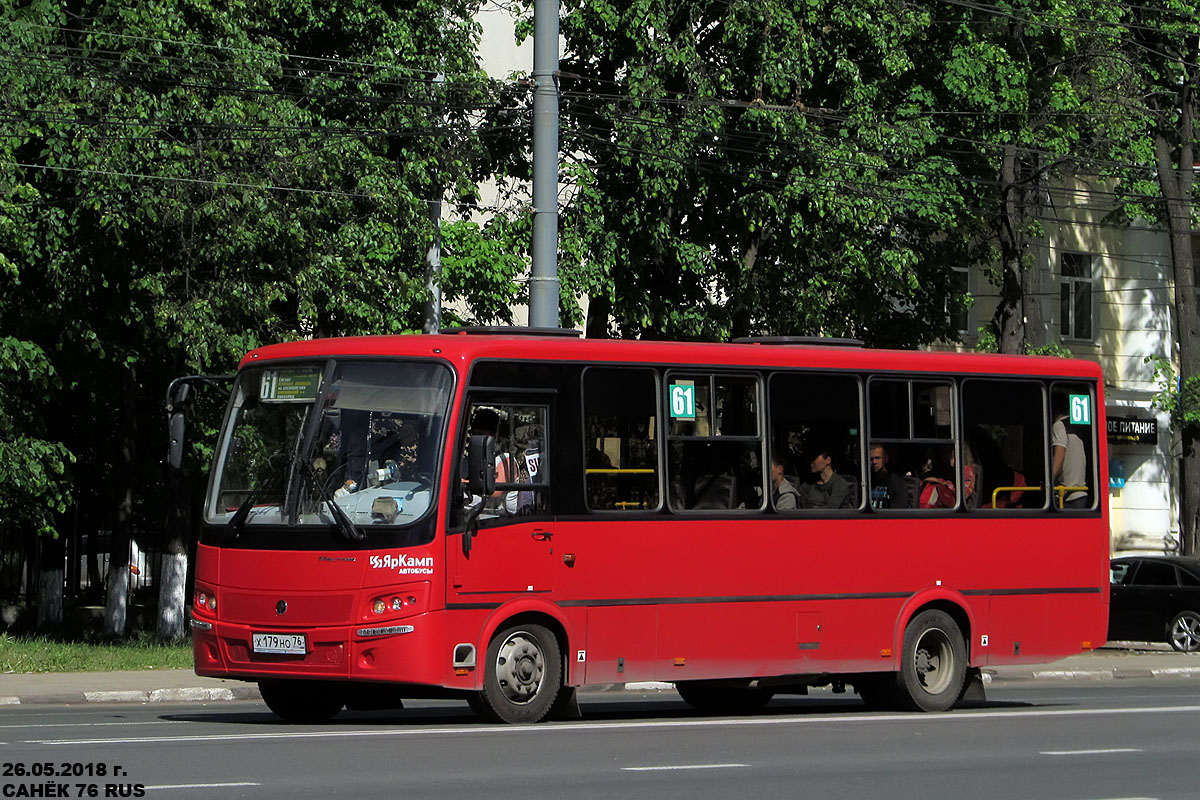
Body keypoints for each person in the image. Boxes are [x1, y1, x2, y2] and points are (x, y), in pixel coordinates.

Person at [1052, 405, 1088, 509]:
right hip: (1081, 493)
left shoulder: (1059, 425)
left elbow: (1059, 457)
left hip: (1068, 496)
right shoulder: (1075, 427)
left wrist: (1048, 483)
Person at [869, 444, 910, 509]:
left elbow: (898, 511)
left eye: (877, 458)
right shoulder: (865, 482)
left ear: (886, 459)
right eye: (871, 459)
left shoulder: (897, 483)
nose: (874, 462)